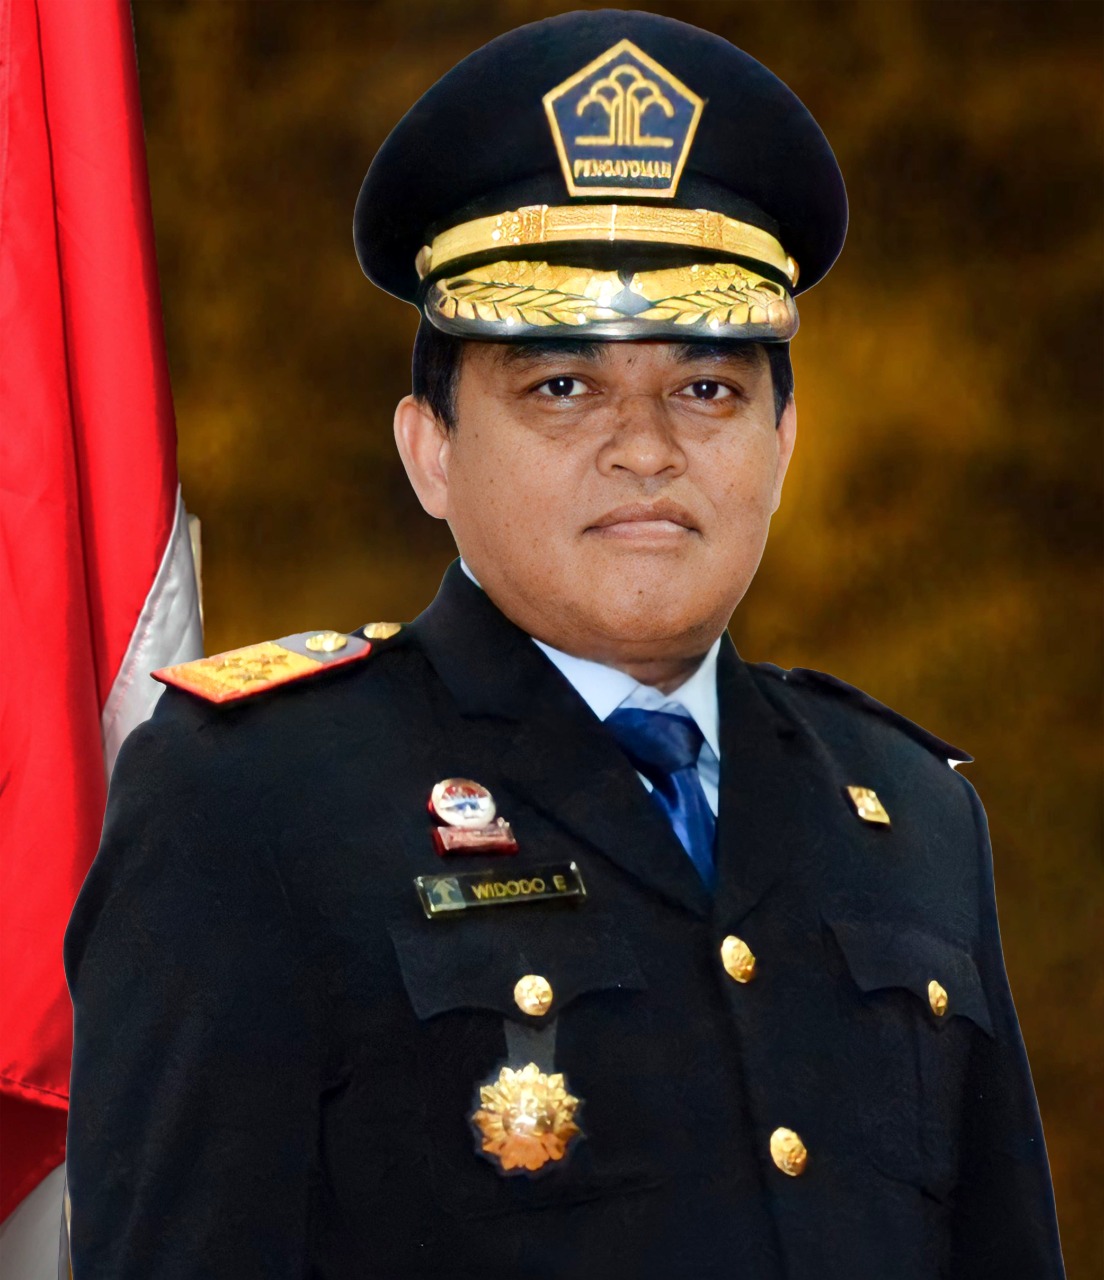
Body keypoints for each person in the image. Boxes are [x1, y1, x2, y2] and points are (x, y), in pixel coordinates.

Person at [63, 10, 1065, 1278]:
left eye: (708, 388)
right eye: (562, 386)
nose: (646, 447)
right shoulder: (250, 797)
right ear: (430, 451)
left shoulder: (912, 817)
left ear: (784, 444)